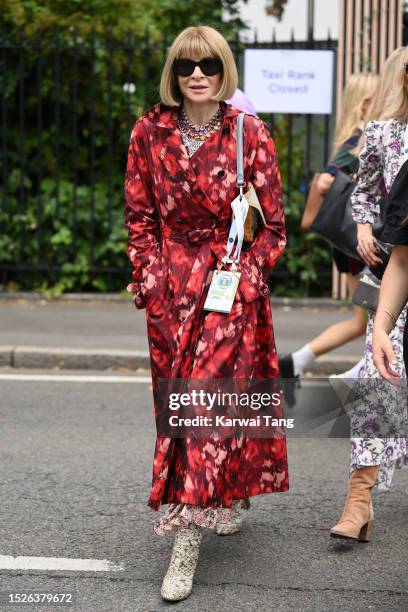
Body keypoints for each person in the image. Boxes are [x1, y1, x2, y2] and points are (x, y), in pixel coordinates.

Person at [124, 26, 289, 601]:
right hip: (170, 292)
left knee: (203, 406)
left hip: (228, 287)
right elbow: (139, 217)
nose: (198, 74)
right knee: (185, 407)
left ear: (224, 72)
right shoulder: (149, 131)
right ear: (174, 72)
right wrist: (148, 274)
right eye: (187, 65)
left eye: (210, 65)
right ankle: (230, 489)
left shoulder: (251, 132)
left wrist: (247, 279)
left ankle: (185, 543)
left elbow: (272, 226)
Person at [330, 48, 408, 542]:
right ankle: (358, 503)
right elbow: (365, 190)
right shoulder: (381, 133)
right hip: (393, 270)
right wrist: (362, 225)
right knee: (378, 385)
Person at [279, 73, 378, 385]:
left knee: (364, 320)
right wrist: (310, 218)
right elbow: (324, 180)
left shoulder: (350, 137)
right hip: (364, 246)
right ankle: (357, 376)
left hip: (350, 249)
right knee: (378, 317)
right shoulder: (360, 141)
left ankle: (297, 360)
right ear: (365, 105)